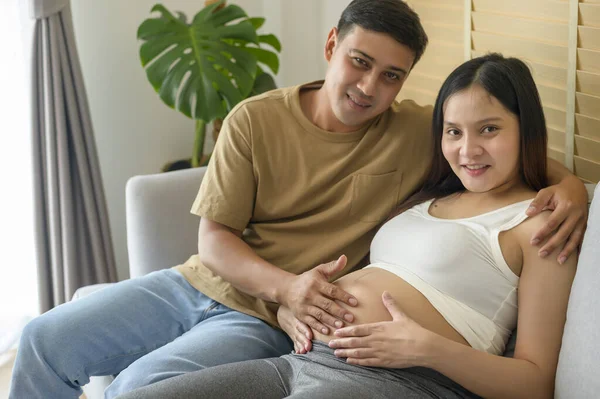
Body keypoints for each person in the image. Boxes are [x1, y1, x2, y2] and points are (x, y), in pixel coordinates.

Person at [9, 1, 587, 398]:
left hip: (283, 331)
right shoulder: (255, 119)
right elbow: (213, 240)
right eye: (360, 63)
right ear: (333, 44)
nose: (369, 88)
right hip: (209, 287)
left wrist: (570, 190)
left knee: (143, 384)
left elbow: (499, 145)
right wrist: (287, 288)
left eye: (391, 76)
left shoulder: (422, 134)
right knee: (40, 339)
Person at [116, 53, 578, 399]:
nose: (468, 149)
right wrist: (291, 308)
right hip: (300, 358)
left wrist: (426, 348)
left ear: (526, 130)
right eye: (454, 131)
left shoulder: (540, 224)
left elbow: (535, 382)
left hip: (401, 381)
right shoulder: (434, 193)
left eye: (490, 129)